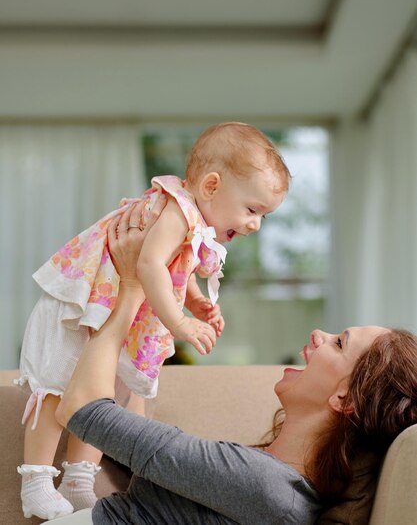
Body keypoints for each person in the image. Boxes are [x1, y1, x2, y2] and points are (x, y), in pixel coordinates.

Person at [47, 201, 417, 524]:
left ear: (344, 399)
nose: (319, 333)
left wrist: (130, 285)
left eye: (339, 343)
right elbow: (137, 448)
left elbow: (80, 409)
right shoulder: (272, 483)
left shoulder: (265, 488)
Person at [16, 122, 291, 520]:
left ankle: (78, 479)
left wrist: (194, 300)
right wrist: (179, 323)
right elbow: (148, 264)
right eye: (252, 210)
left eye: (262, 216)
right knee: (58, 386)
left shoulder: (193, 221)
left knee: (105, 395)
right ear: (211, 186)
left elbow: (174, 268)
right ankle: (36, 480)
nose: (254, 225)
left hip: (111, 311)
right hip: (83, 304)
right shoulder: (177, 212)